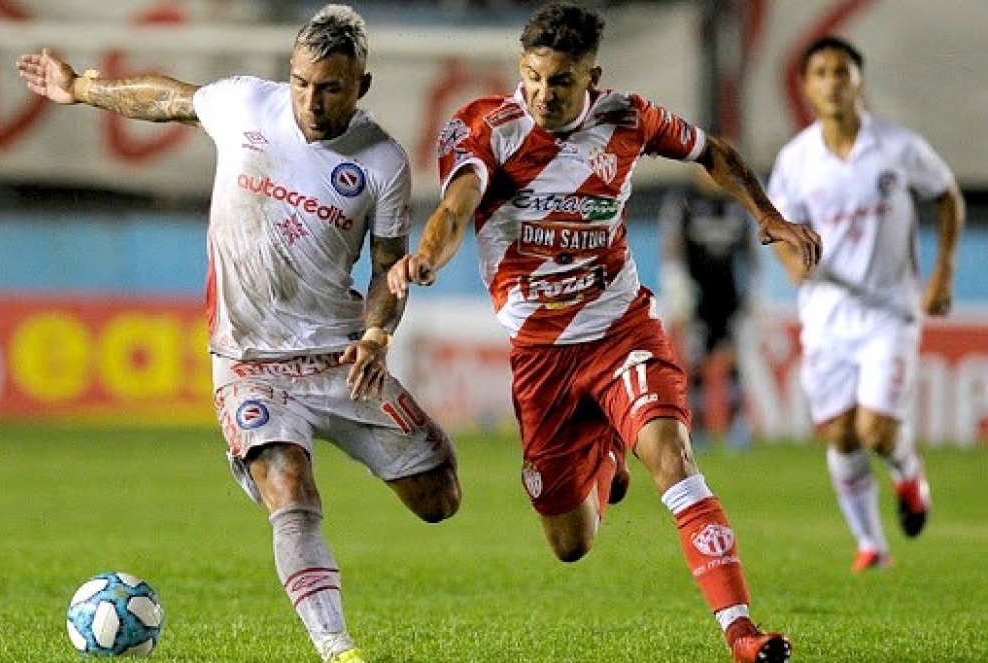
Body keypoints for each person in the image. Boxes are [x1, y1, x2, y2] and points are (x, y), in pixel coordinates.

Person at [17, 6, 461, 662]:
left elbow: (388, 265)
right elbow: (167, 99)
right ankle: (337, 647)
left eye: (330, 87)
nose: (311, 99)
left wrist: (374, 337)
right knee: (290, 491)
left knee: (439, 496)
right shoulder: (248, 105)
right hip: (248, 359)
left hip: (339, 353)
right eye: (301, 81)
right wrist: (81, 86)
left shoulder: (380, 161)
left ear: (360, 85)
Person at [388, 4, 821, 661]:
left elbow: (713, 153)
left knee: (673, 457)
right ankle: (607, 455)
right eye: (531, 76)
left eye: (559, 81)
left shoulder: (628, 118)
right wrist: (425, 256)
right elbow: (457, 203)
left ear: (592, 76)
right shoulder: (486, 127)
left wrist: (769, 216)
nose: (541, 93)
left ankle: (740, 631)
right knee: (571, 543)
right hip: (540, 357)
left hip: (622, 329)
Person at [766, 36, 964, 573]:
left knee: (875, 430)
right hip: (826, 315)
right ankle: (872, 547)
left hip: (889, 313)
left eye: (842, 72)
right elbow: (780, 225)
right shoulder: (797, 159)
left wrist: (943, 272)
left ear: (859, 81)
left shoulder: (897, 147)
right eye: (821, 73)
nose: (832, 81)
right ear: (807, 87)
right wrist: (790, 264)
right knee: (841, 433)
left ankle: (907, 469)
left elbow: (948, 194)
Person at [657, 171, 760, 450]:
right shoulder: (684, 201)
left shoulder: (736, 203)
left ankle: (737, 425)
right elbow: (672, 246)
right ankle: (699, 426)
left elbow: (750, 251)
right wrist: (676, 284)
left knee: (731, 359)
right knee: (697, 361)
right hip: (697, 295)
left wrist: (751, 290)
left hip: (728, 296)